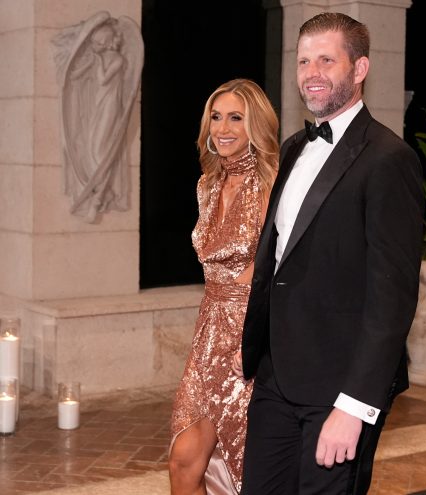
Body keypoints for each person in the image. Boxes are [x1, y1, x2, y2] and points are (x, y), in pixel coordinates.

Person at [238, 12, 424, 495]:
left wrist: (354, 406)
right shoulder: (294, 148)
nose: (312, 73)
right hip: (276, 379)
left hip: (339, 388)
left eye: (326, 60)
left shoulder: (389, 159)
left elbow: (393, 297)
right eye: (304, 61)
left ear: (359, 69)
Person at [169, 78, 279, 495]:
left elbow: (274, 268)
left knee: (241, 465)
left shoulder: (270, 185)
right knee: (184, 460)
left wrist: (252, 343)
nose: (223, 128)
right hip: (208, 331)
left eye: (236, 118)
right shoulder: (207, 185)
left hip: (246, 333)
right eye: (216, 117)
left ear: (256, 125)